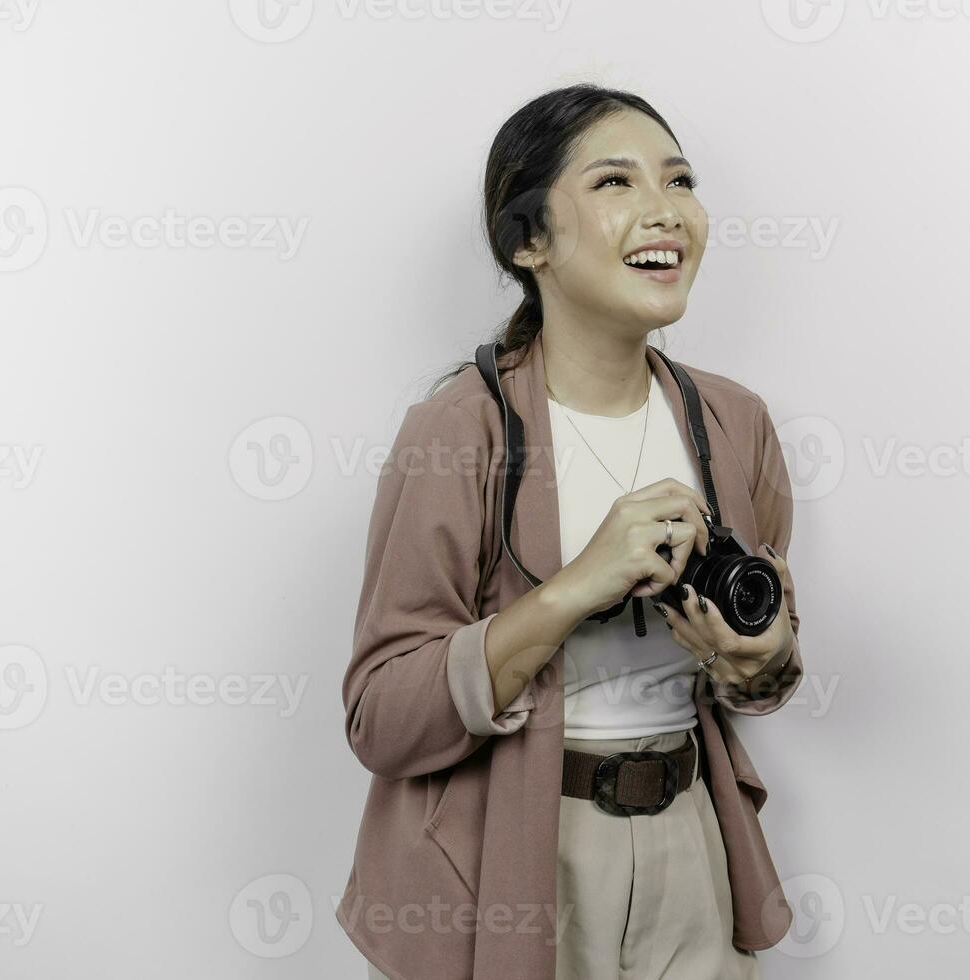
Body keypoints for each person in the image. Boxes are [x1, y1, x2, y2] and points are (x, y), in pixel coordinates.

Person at [338, 82, 805, 980]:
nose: (665, 210)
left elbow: (770, 669)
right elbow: (380, 718)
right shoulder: (458, 430)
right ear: (529, 242)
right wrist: (570, 590)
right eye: (615, 183)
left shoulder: (735, 422)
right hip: (508, 855)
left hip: (692, 846)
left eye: (679, 179)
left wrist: (760, 657)